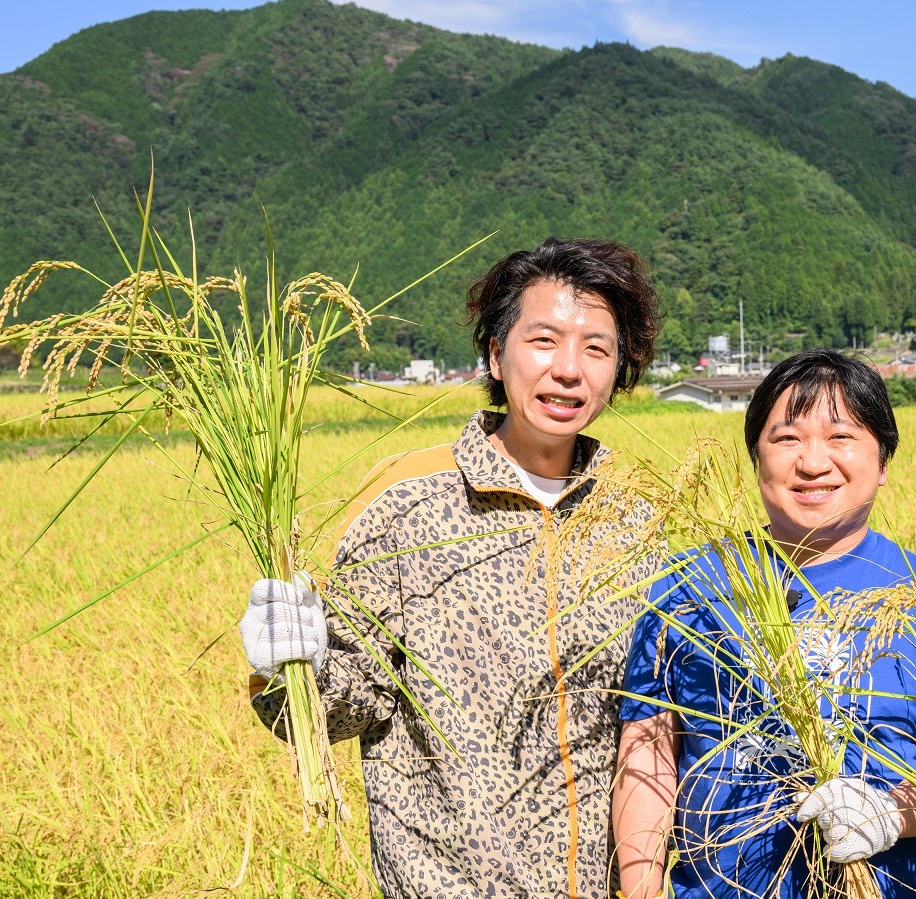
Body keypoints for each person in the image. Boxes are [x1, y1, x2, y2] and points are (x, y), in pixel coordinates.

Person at [238, 238, 662, 898]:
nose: (569, 369)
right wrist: (293, 665)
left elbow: (662, 720)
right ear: (496, 352)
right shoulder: (408, 500)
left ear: (619, 371)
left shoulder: (636, 516)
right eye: (544, 340)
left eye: (597, 348)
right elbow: (351, 697)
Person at [613, 350, 916, 899]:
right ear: (755, 457)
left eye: (841, 437)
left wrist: (890, 813)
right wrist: (640, 888)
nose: (812, 462)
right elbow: (648, 750)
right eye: (786, 439)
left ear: (883, 464)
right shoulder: (689, 588)